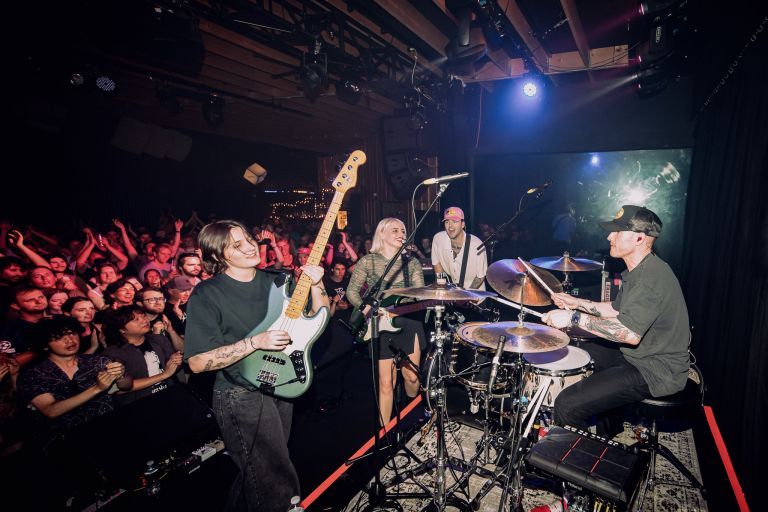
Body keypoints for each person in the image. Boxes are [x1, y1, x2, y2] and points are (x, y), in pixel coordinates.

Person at [184, 220, 329, 512]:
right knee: (273, 472)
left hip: (281, 382)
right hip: (240, 392)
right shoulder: (207, 294)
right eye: (236, 245)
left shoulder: (277, 280)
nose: (250, 247)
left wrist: (317, 283)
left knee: (259, 468)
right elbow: (197, 363)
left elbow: (317, 318)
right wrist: (254, 342)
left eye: (249, 239)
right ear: (218, 255)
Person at [542, 205, 690, 438]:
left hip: (656, 370)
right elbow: (614, 309)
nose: (609, 237)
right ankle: (609, 434)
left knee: (567, 405)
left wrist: (573, 317)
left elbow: (629, 334)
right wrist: (576, 302)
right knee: (580, 351)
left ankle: (585, 460)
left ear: (639, 238)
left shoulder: (649, 279)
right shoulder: (641, 269)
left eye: (617, 232)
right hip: (640, 356)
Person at [346, 218, 425, 425]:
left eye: (403, 230)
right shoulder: (369, 261)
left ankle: (412, 415)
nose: (401, 234)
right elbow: (351, 291)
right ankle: (385, 432)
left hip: (408, 320)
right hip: (380, 323)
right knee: (386, 383)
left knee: (412, 377)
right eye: (395, 230)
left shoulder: (412, 263)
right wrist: (366, 309)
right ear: (381, 233)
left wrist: (419, 298)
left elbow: (420, 295)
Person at [431, 206, 487, 289]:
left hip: (475, 293)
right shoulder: (438, 239)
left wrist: (467, 294)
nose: (450, 226)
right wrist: (442, 285)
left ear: (463, 224)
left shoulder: (477, 245)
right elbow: (437, 263)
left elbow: (480, 277)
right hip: (454, 292)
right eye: (447, 222)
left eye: (455, 221)